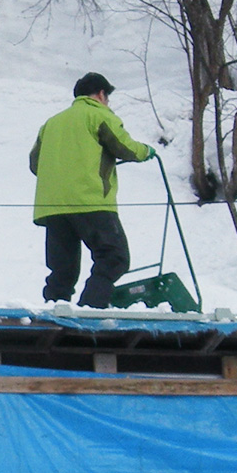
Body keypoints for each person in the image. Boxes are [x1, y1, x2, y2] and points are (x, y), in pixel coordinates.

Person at [30, 72, 156, 308]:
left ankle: (56, 309)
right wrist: (147, 151)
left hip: (53, 207)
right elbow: (124, 147)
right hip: (91, 201)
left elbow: (34, 163)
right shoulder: (97, 115)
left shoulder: (51, 124)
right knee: (114, 257)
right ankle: (91, 307)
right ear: (101, 94)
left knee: (63, 269)